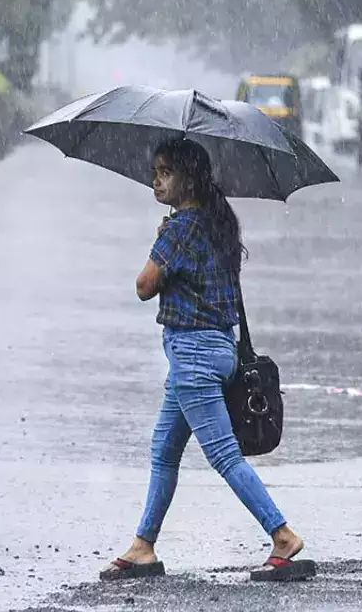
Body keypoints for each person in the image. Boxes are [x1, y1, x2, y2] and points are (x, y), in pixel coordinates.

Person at [101, 138, 310, 583]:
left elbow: (144, 286)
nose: (155, 180)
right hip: (216, 349)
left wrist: (162, 241)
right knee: (164, 449)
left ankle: (282, 535)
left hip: (192, 356)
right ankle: (143, 546)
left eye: (165, 172)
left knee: (224, 455)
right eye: (155, 171)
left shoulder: (180, 230)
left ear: (189, 179)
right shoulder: (217, 226)